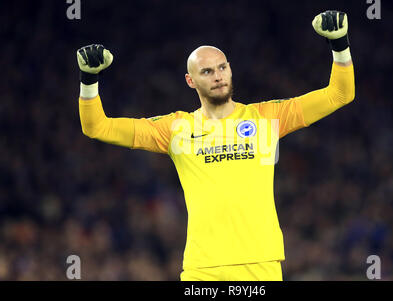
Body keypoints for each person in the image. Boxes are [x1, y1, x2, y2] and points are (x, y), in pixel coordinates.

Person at [77, 10, 355, 281]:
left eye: (222, 67)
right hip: (203, 268)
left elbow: (340, 94)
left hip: (259, 264)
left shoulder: (265, 118)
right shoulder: (175, 129)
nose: (218, 76)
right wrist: (89, 81)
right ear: (191, 80)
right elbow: (97, 126)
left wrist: (339, 45)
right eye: (207, 71)